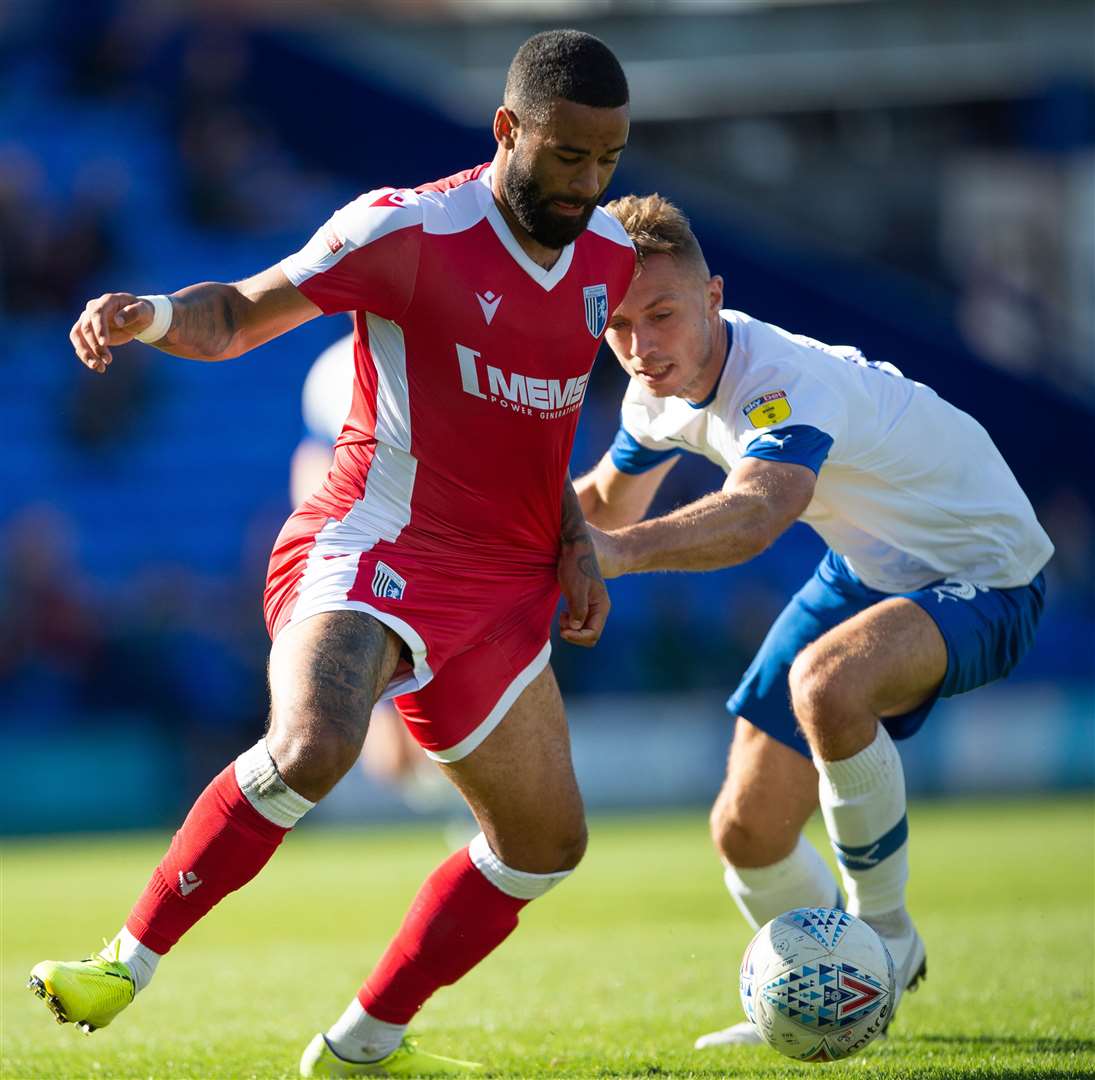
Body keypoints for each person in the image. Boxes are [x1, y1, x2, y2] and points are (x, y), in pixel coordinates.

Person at [30, 30, 635, 1078]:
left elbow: (547, 423)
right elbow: (237, 315)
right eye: (567, 156)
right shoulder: (408, 229)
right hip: (374, 545)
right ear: (507, 129)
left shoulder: (611, 259)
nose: (587, 182)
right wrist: (153, 313)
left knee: (546, 846)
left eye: (608, 161)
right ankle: (121, 963)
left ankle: (363, 1045)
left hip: (501, 588)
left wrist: (576, 538)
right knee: (314, 744)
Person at [575, 194, 1052, 1051]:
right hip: (863, 569)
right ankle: (832, 993)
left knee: (827, 683)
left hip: (984, 570)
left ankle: (886, 942)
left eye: (662, 315)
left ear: (714, 296)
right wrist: (477, 538)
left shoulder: (781, 378)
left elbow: (754, 516)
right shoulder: (651, 393)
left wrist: (609, 557)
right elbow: (601, 505)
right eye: (616, 325)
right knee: (745, 833)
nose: (641, 346)